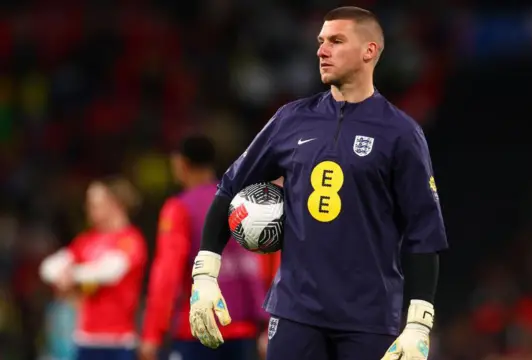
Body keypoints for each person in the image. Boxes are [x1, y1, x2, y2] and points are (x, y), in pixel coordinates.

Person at [189, 6, 448, 360]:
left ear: (369, 51)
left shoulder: (401, 133)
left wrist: (419, 323)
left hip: (368, 320)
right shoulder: (291, 119)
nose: (321, 50)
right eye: (320, 41)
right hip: (296, 314)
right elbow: (229, 188)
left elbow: (424, 231)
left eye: (336, 41)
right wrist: (205, 273)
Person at [139, 135, 271, 360]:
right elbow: (259, 264)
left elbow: (166, 275)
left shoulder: (179, 208)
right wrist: (267, 323)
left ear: (181, 164)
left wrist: (153, 333)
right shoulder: (241, 203)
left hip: (198, 332)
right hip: (242, 331)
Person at [39, 176, 147, 360]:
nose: (88, 208)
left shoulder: (130, 239)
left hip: (118, 341)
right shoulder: (86, 241)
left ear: (115, 204)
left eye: (95, 203)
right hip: (86, 339)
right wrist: (68, 275)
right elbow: (47, 267)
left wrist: (71, 275)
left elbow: (111, 271)